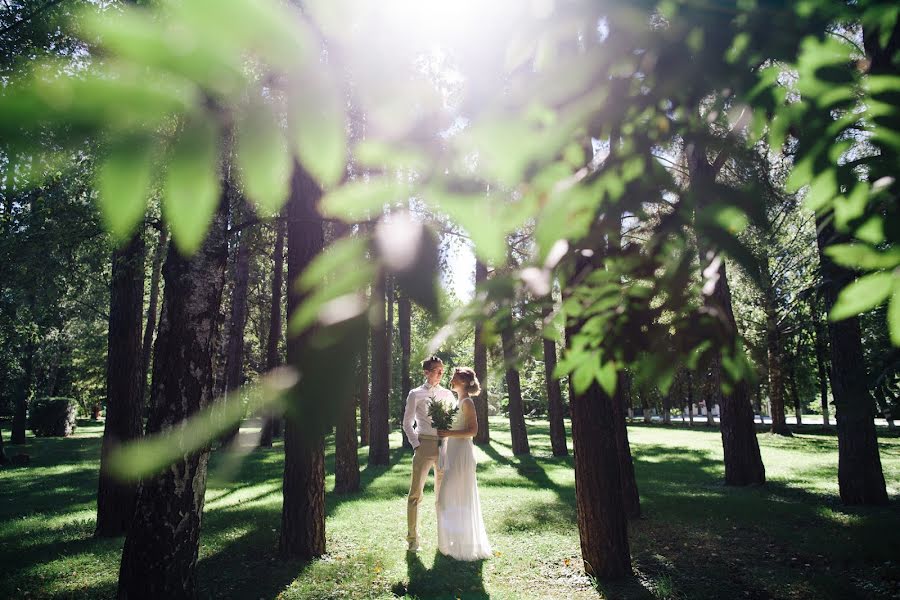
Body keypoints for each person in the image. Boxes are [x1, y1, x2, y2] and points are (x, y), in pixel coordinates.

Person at [435, 367, 492, 561]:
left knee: (450, 498)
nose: (451, 379)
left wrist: (448, 433)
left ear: (465, 382)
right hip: (453, 452)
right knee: (451, 499)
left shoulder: (467, 402)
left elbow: (473, 431)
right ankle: (454, 542)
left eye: (455, 377)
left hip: (462, 454)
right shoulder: (457, 401)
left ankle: (462, 545)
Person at [403, 355, 455, 553]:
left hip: (443, 447)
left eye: (442, 370)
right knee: (415, 494)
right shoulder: (415, 394)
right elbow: (407, 422)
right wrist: (416, 444)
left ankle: (443, 539)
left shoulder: (448, 394)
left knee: (443, 496)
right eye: (437, 370)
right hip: (423, 445)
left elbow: (454, 419)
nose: (441, 373)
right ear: (426, 372)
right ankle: (412, 540)